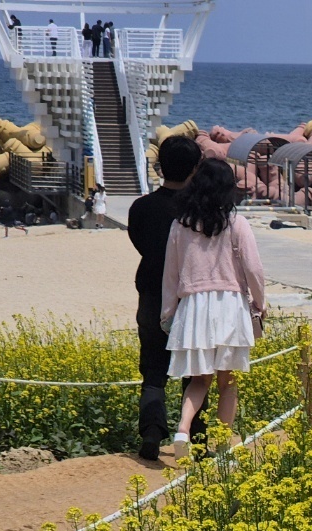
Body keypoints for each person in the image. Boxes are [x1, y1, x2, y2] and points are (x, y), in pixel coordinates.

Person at [161, 158, 266, 458]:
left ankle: (182, 430)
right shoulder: (237, 223)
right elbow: (254, 269)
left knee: (199, 380)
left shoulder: (180, 226)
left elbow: (171, 273)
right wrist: (260, 303)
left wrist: (168, 312)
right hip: (229, 306)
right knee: (228, 382)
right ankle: (220, 449)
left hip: (193, 307)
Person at [129, 134, 205, 461]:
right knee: (196, 370)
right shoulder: (201, 209)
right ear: (194, 168)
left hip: (151, 294)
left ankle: (151, 432)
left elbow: (141, 243)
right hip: (191, 297)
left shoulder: (142, 207)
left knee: (153, 368)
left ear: (160, 166)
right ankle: (195, 435)